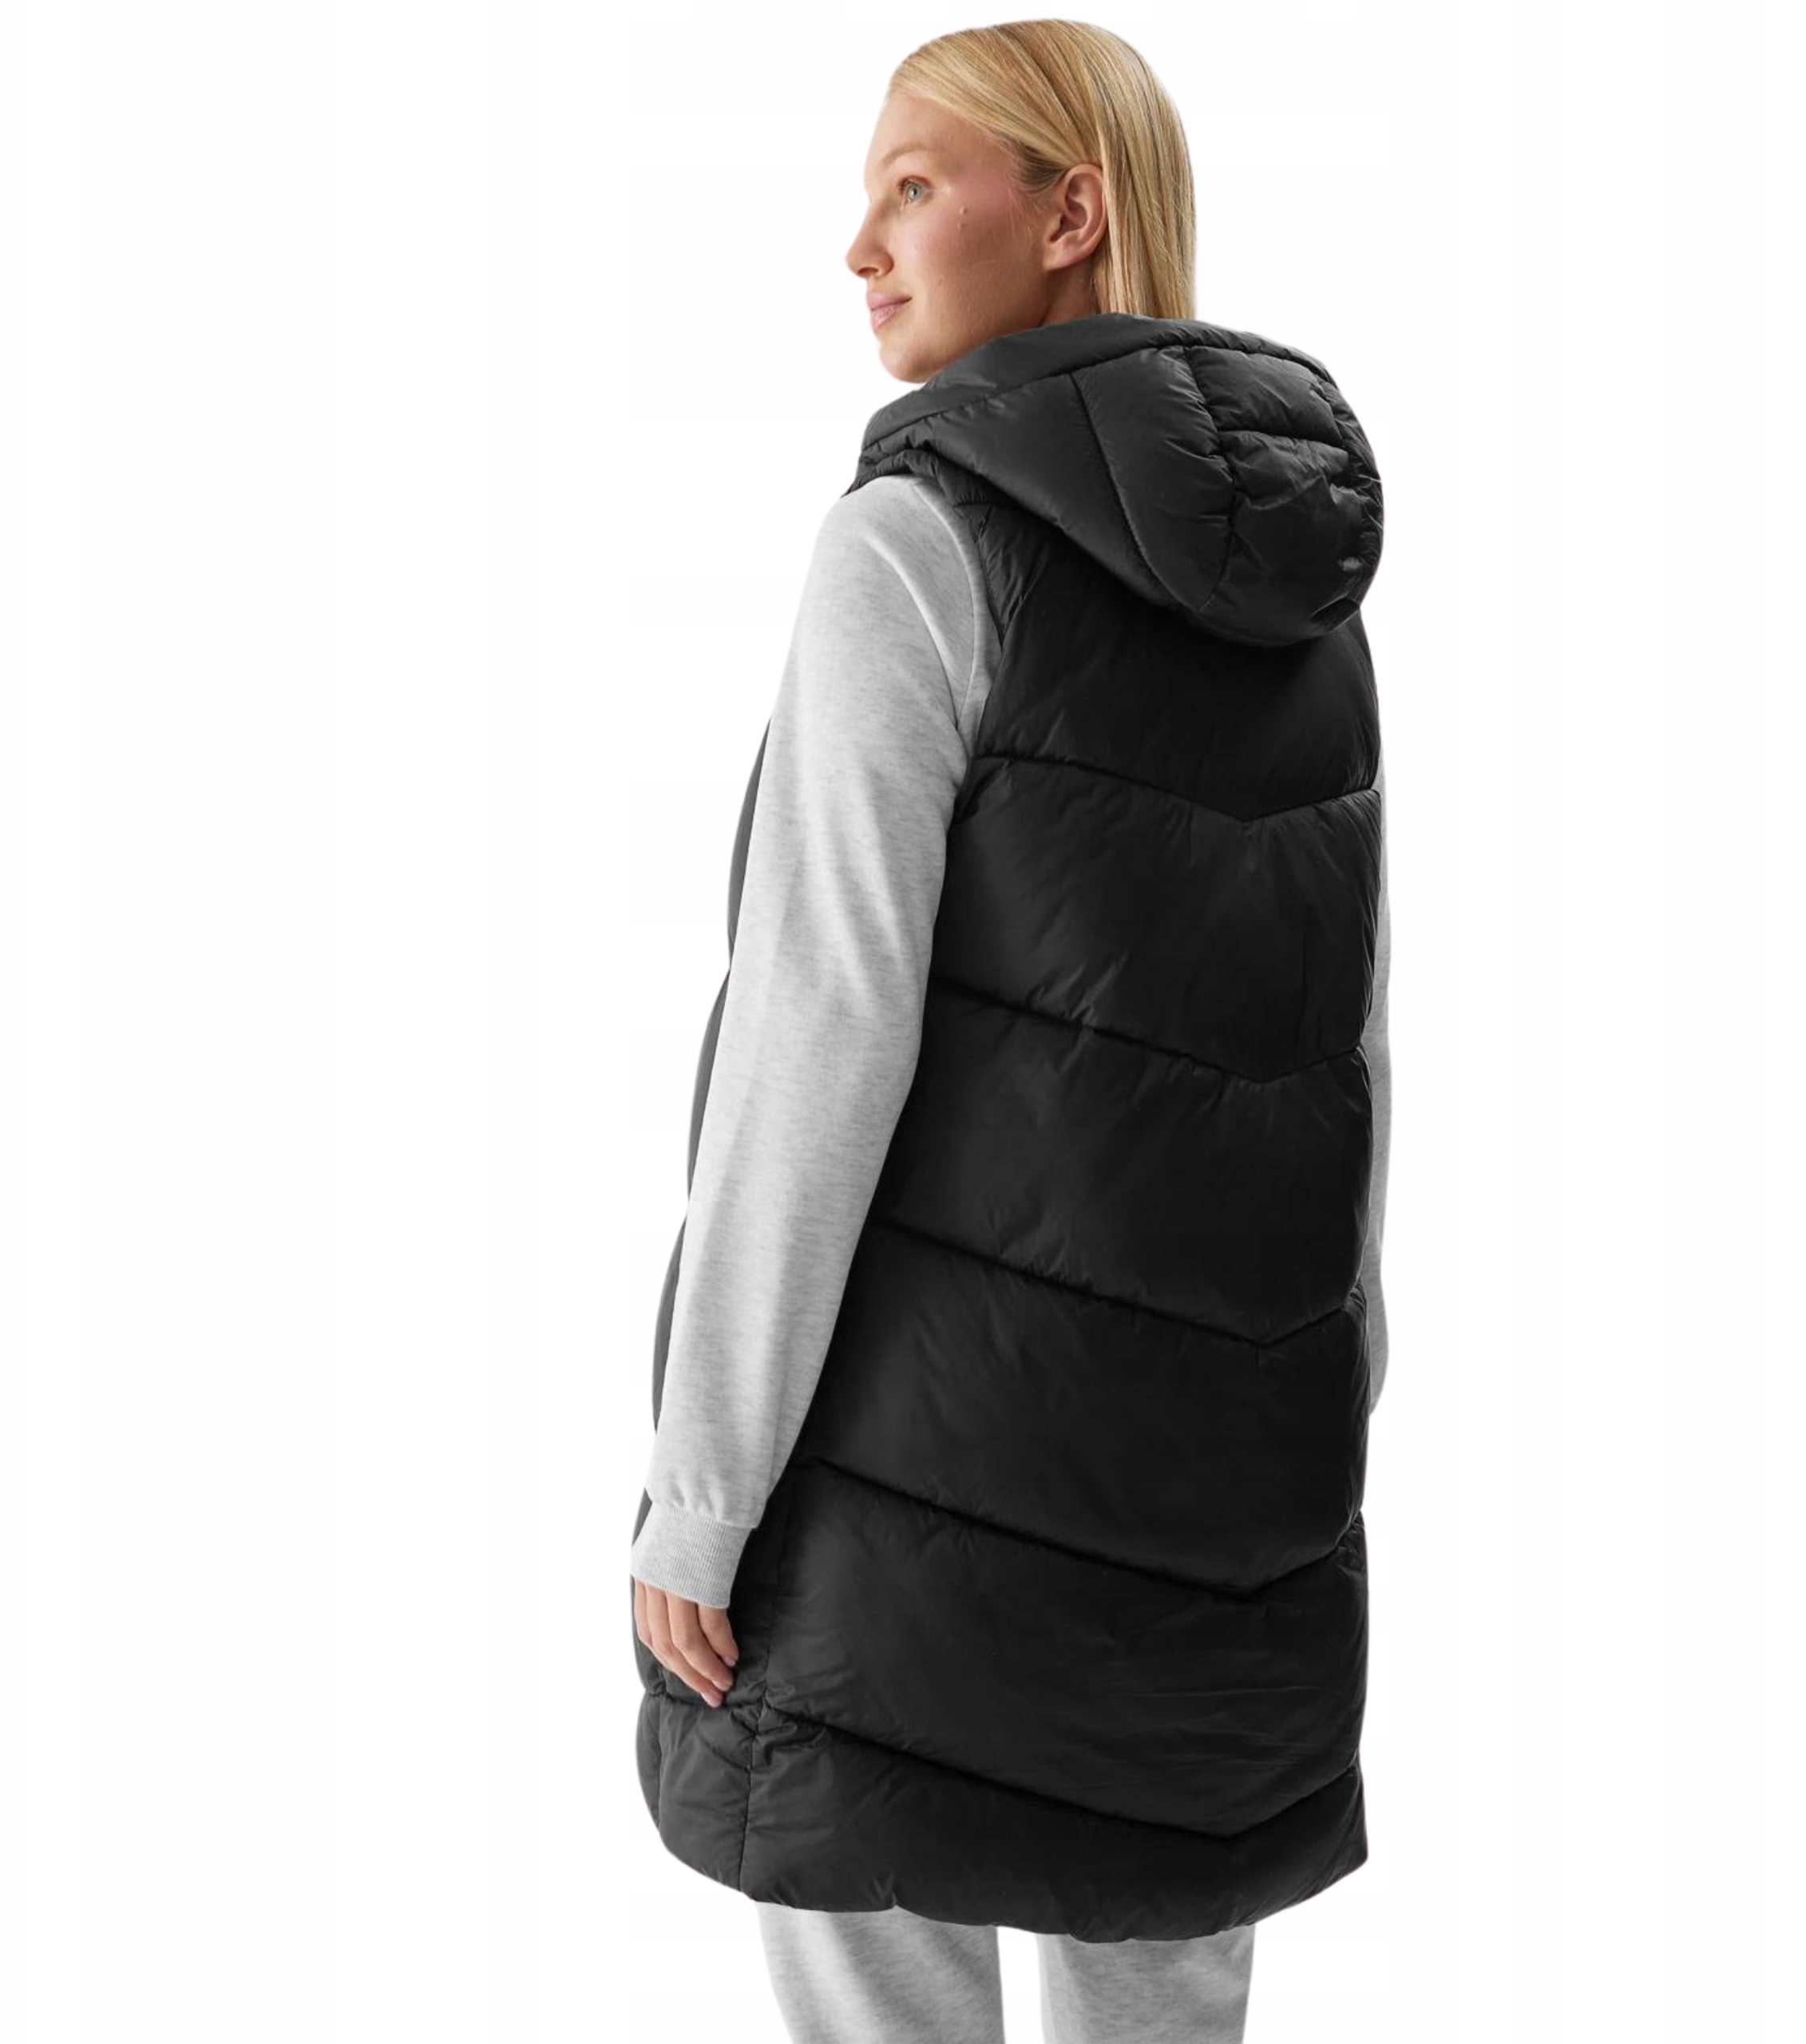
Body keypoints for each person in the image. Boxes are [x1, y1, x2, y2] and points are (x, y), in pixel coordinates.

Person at [629, 20, 1390, 2042]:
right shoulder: (1302, 595)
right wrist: (1324, 1426)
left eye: (909, 184)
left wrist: (703, 1484)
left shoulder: (915, 542)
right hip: (1225, 1502)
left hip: (899, 1484)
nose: (859, 245)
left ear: (1067, 215)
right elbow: (1344, 1052)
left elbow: (821, 1018)